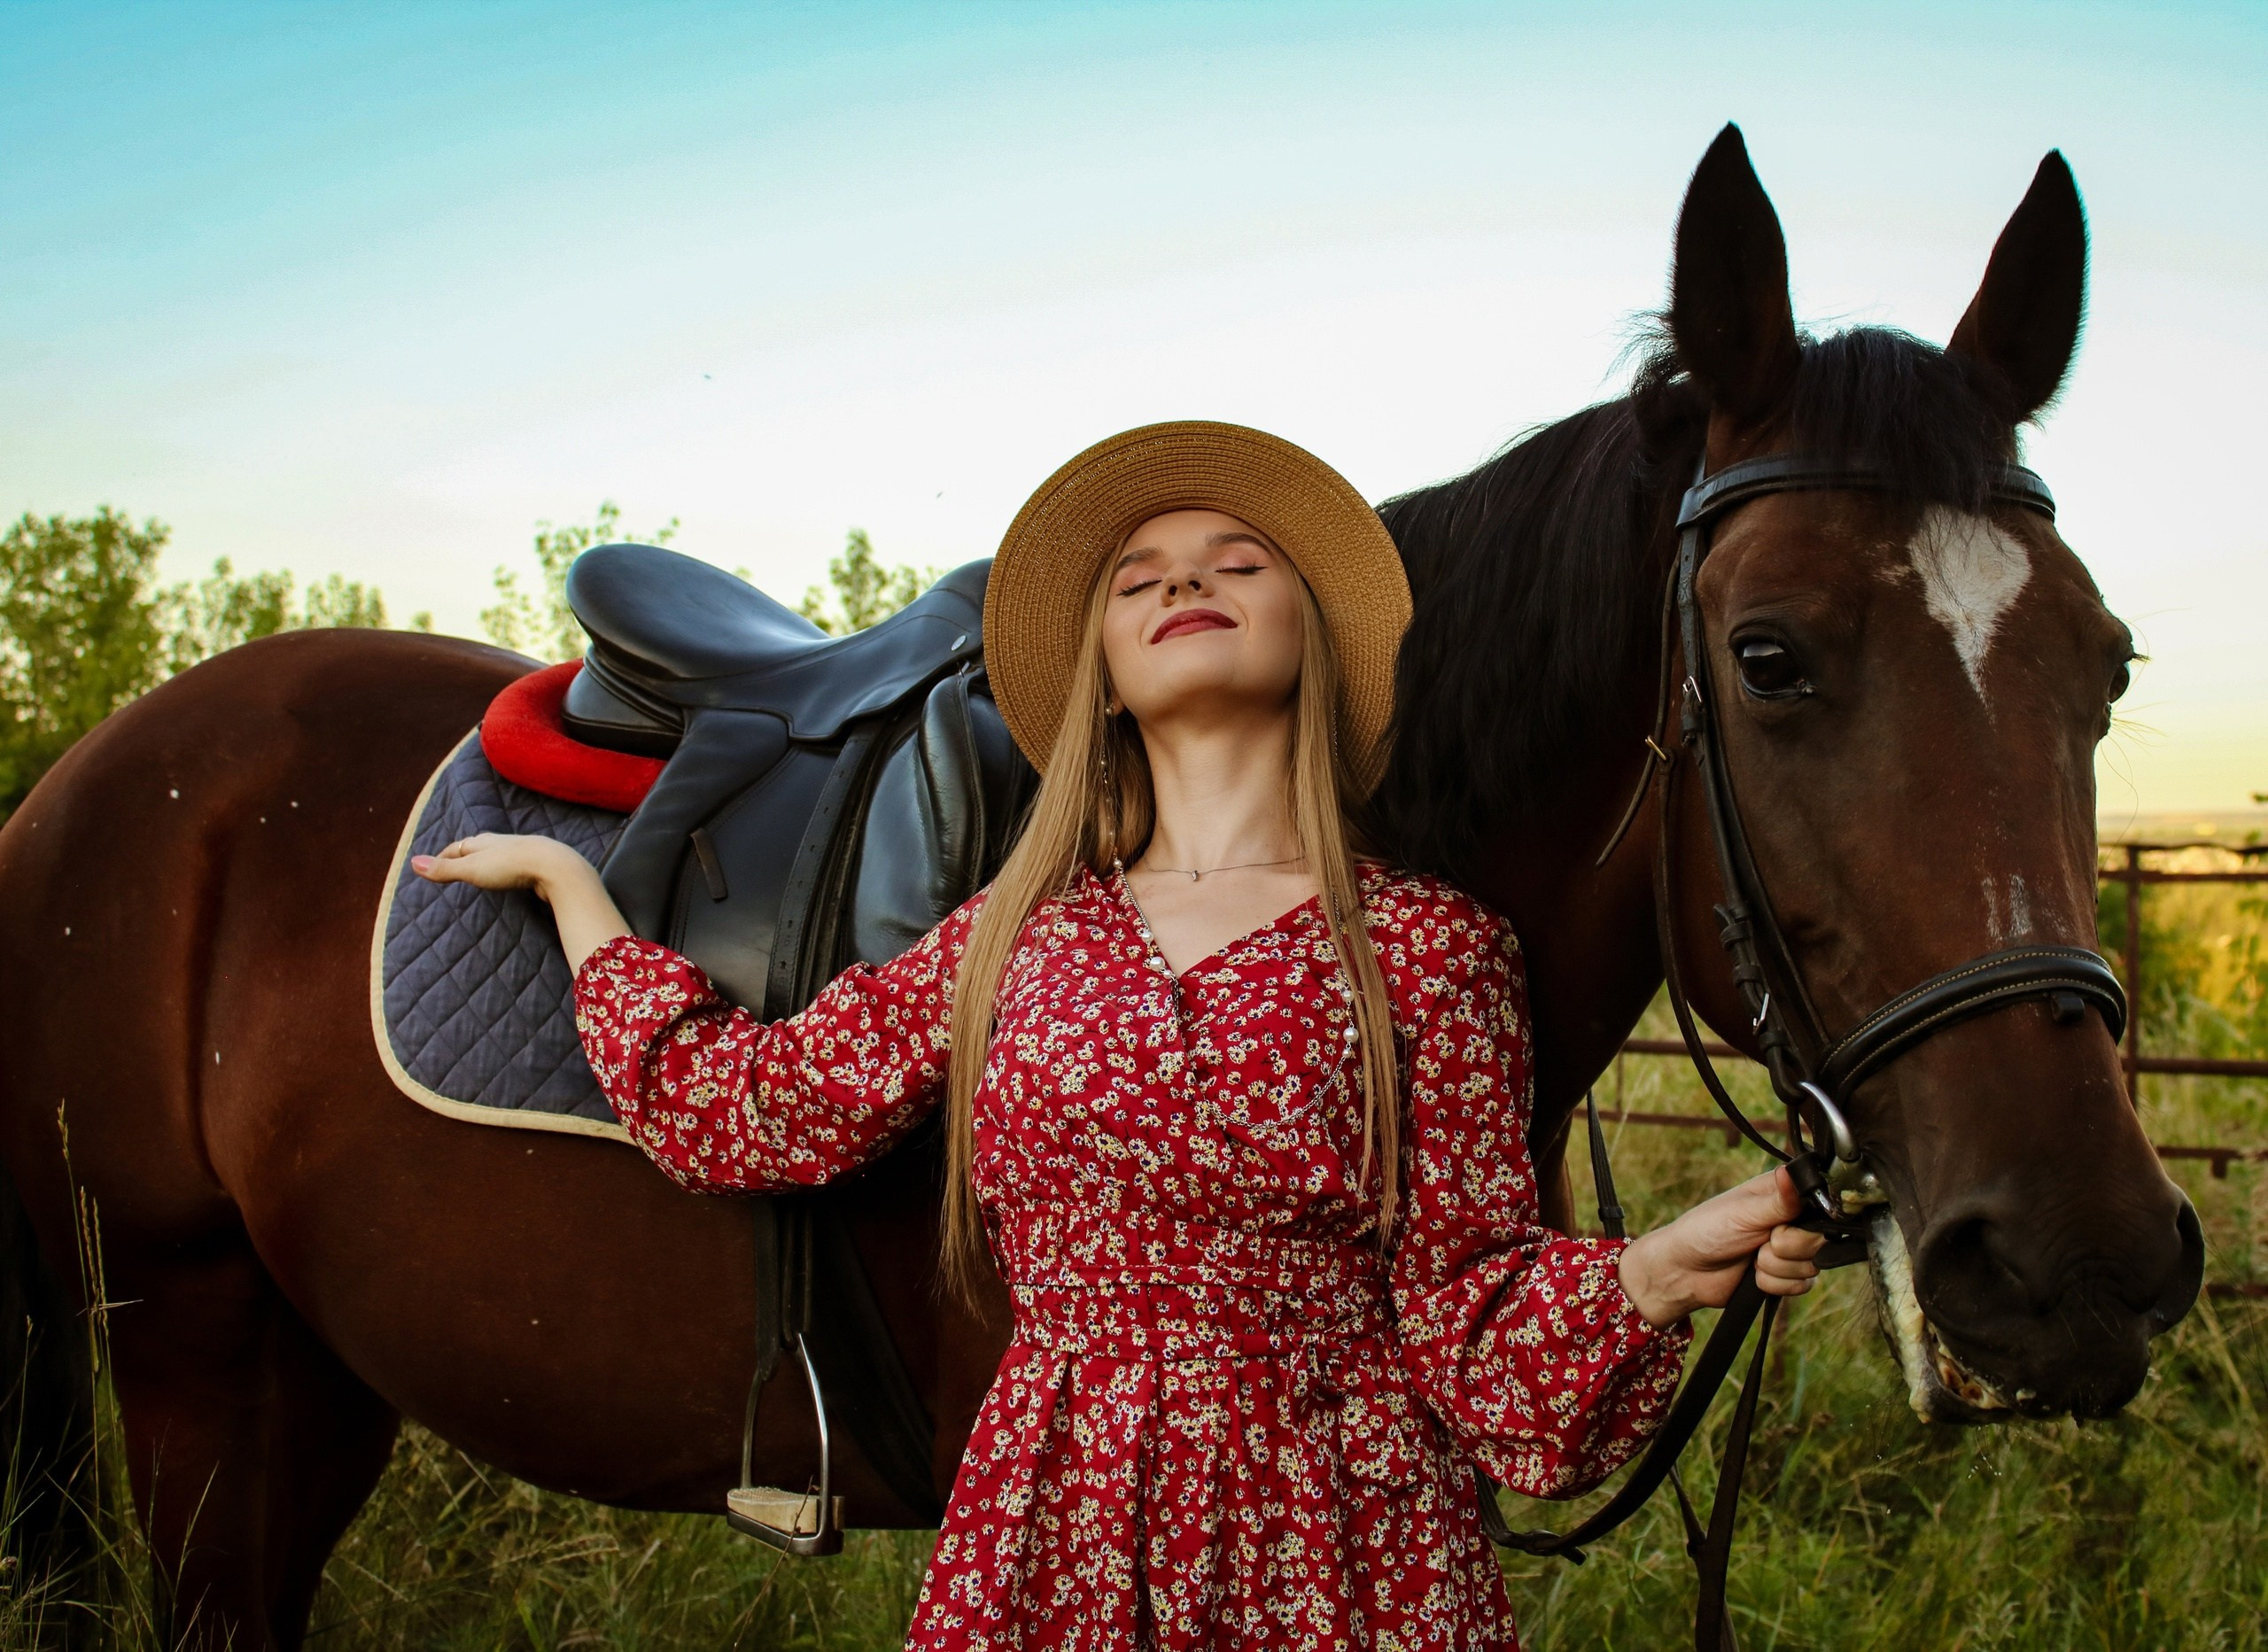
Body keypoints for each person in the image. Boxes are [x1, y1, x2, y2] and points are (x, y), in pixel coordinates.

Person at [416, 422, 1825, 1650]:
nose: (1184, 579)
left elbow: (1464, 1327)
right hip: (1054, 1533)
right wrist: (576, 895)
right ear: (1099, 658)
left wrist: (1654, 1270)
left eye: (1237, 560)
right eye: (1138, 576)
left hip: (1346, 1550)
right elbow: (750, 1107)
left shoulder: (1434, 950)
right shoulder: (1010, 934)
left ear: (1315, 632)